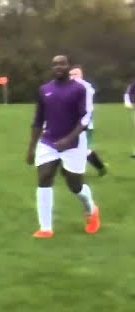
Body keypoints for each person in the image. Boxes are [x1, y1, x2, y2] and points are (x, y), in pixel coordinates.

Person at [27, 54, 100, 238]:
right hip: (48, 141)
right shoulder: (45, 90)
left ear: (68, 66)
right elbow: (37, 120)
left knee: (74, 185)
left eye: (62, 63)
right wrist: (31, 148)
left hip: (74, 143)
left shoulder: (79, 89)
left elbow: (84, 119)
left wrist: (69, 139)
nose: (58, 67)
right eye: (55, 64)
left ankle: (91, 210)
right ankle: (45, 228)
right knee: (44, 178)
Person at [68, 66, 107, 176]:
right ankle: (68, 171)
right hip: (74, 124)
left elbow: (87, 108)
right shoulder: (73, 87)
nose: (72, 77)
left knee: (83, 149)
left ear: (80, 75)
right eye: (70, 75)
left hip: (84, 125)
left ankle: (101, 167)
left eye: (74, 74)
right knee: (70, 146)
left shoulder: (85, 87)